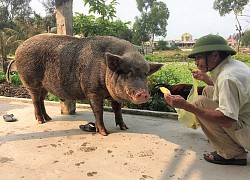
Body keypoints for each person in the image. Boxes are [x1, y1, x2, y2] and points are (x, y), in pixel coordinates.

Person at [164, 34, 250, 166]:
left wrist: (187, 106)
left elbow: (227, 119)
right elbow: (223, 91)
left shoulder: (227, 77)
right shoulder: (234, 65)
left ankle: (232, 154)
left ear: (215, 55)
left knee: (199, 103)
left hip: (246, 130)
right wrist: (205, 79)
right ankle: (223, 139)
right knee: (207, 91)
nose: (196, 62)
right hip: (246, 117)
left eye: (199, 57)